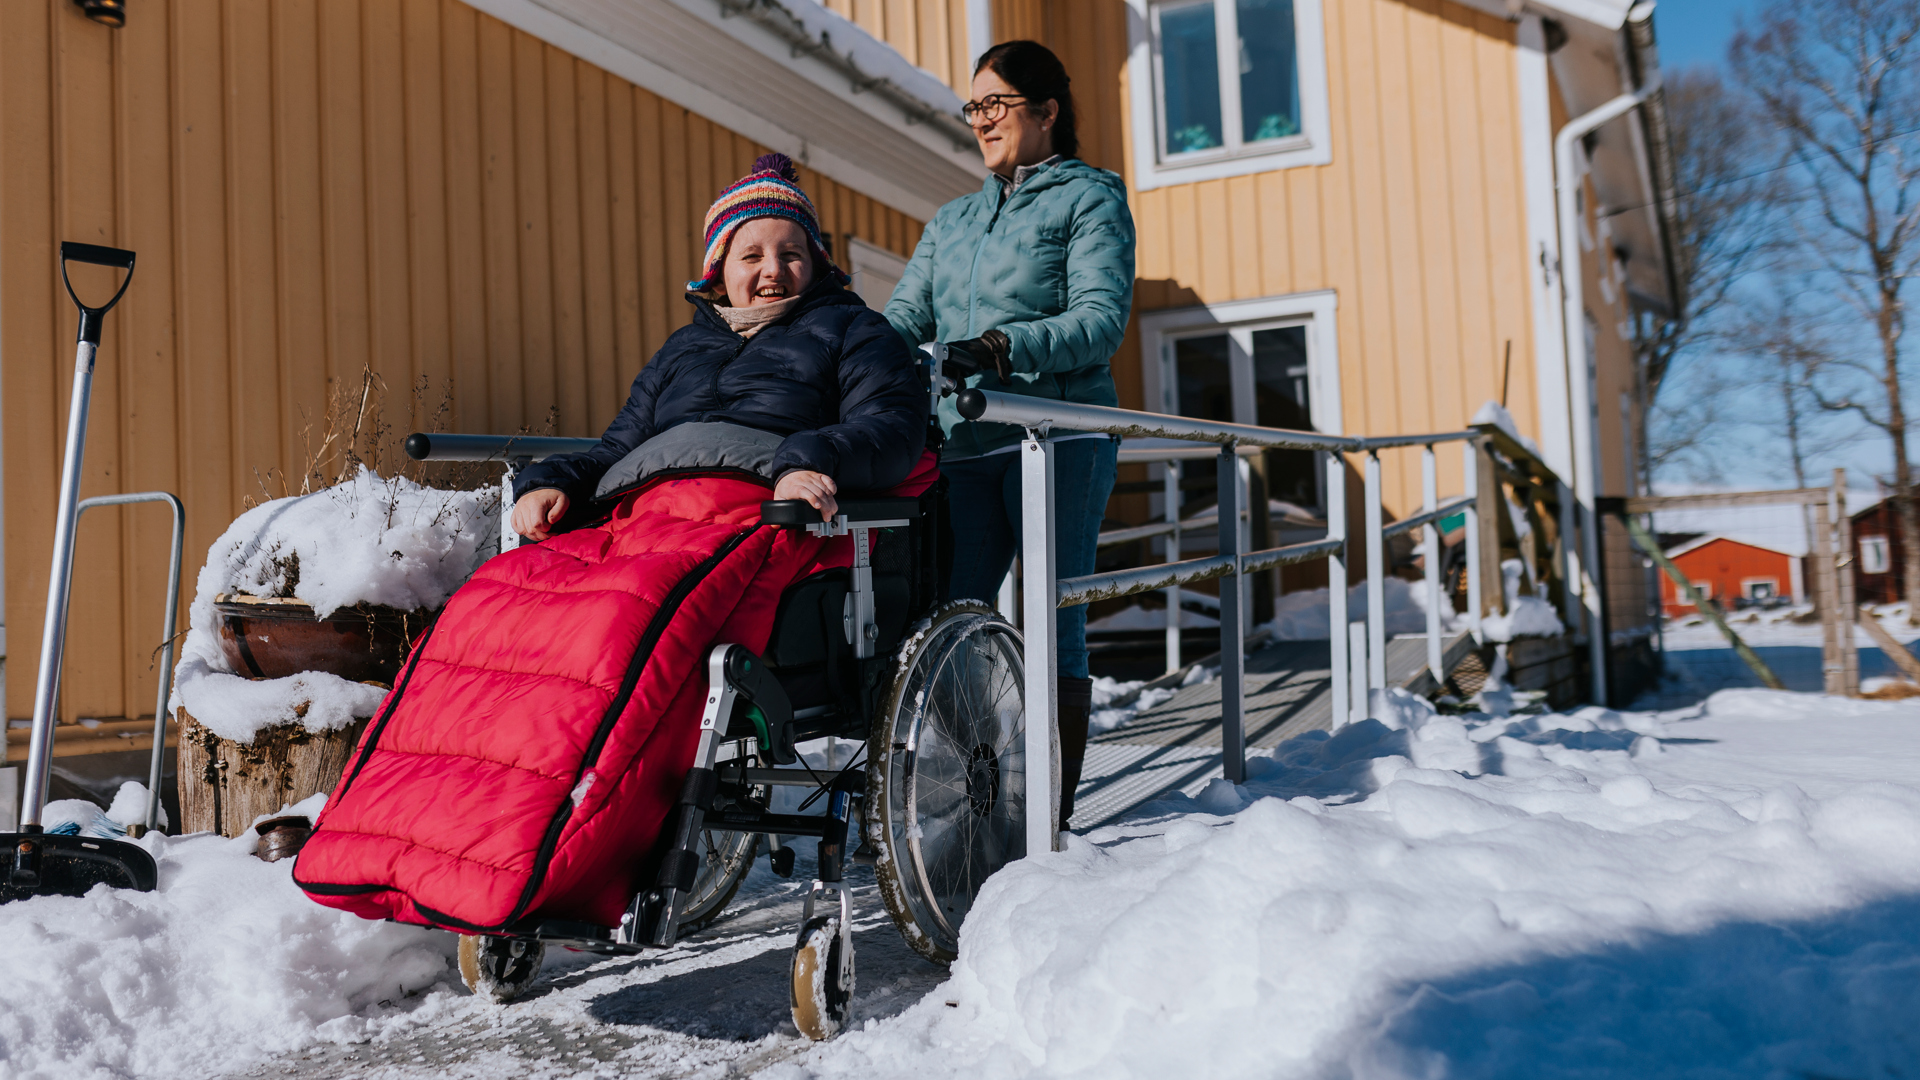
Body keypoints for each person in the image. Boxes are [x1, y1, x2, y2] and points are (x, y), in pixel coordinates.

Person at [884, 40, 1136, 830]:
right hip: (966, 445)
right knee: (953, 617)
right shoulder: (953, 220)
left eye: (996, 103)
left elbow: (1099, 319)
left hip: (1058, 437)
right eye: (974, 106)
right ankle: (978, 788)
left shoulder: (1089, 199)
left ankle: (1047, 821)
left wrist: (1002, 346)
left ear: (1047, 110)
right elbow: (904, 318)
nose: (981, 119)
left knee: (1053, 617)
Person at [511, 153, 925, 537]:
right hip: (648, 517)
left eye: (791, 254)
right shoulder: (682, 348)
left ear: (817, 265)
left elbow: (889, 427)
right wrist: (551, 483)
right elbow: (618, 449)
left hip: (765, 516)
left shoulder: (856, 330)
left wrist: (807, 464)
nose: (773, 269)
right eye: (751, 256)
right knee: (525, 586)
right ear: (719, 274)